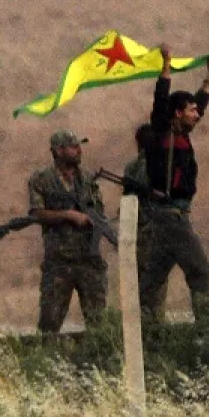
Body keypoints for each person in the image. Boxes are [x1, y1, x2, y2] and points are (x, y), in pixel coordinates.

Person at [140, 47, 209, 322]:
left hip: (173, 215)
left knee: (154, 277)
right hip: (170, 215)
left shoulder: (182, 135)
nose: (197, 115)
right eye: (191, 111)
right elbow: (160, 99)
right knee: (200, 269)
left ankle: (142, 327)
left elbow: (201, 103)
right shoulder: (162, 133)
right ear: (176, 113)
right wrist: (166, 65)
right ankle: (206, 328)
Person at [28, 129, 108, 334]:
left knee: (99, 323)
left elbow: (98, 211)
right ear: (58, 151)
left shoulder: (88, 179)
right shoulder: (42, 179)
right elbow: (36, 213)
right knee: (49, 324)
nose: (79, 150)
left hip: (89, 261)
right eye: (73, 147)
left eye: (79, 146)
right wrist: (68, 215)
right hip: (59, 262)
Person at [122, 124, 166, 316]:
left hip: (136, 232)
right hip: (154, 231)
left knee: (140, 285)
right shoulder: (160, 164)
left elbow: (127, 200)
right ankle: (153, 324)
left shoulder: (131, 168)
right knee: (156, 287)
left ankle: (144, 322)